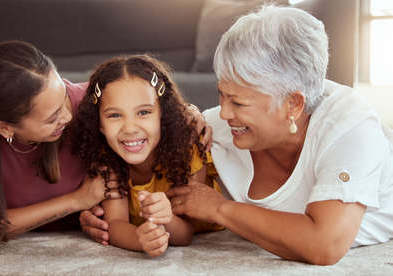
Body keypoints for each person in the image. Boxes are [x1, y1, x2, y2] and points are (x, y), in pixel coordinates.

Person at [83, 5, 393, 265]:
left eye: (238, 102)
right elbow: (144, 151)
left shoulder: (350, 126)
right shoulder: (212, 128)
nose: (224, 113)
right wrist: (101, 216)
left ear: (293, 104)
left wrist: (219, 207)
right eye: (221, 95)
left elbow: (324, 246)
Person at [0, 41, 210, 251]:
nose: (69, 115)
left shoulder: (87, 104)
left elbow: (145, 99)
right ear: (4, 127)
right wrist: (75, 201)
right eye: (52, 118)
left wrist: (188, 112)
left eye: (63, 95)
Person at [71, 55, 223, 257]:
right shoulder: (106, 159)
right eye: (115, 115)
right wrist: (140, 240)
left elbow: (186, 233)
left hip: (199, 225)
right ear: (99, 124)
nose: (130, 128)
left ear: (163, 114)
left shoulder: (186, 147)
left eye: (143, 112)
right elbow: (116, 223)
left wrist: (165, 217)